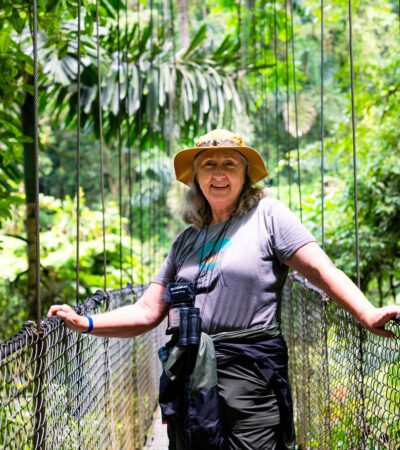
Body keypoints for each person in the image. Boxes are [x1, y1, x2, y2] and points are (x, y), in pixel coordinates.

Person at [48, 129, 400, 450]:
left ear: (246, 174)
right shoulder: (185, 241)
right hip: (190, 373)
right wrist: (87, 322)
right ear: (196, 178)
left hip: (251, 372)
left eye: (229, 165)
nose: (218, 174)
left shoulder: (269, 216)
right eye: (209, 165)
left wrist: (365, 312)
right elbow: (146, 312)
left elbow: (323, 270)